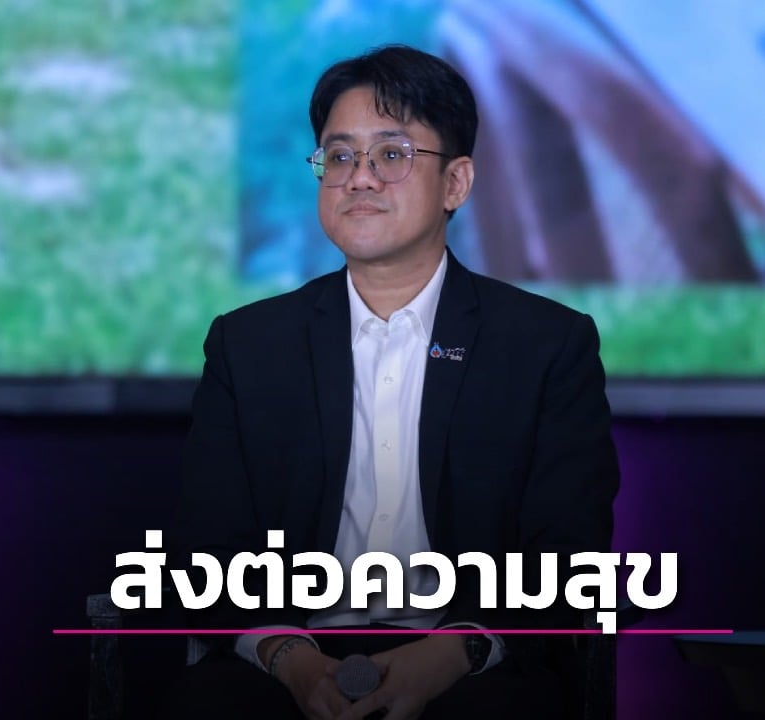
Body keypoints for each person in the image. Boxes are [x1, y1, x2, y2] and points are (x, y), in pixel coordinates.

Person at [172, 44, 619, 720]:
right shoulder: (249, 344)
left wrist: (452, 652)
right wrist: (292, 661)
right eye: (339, 156)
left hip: (472, 657)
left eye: (391, 154)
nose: (359, 178)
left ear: (456, 183)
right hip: (290, 655)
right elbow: (205, 551)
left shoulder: (545, 344)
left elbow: (567, 552)